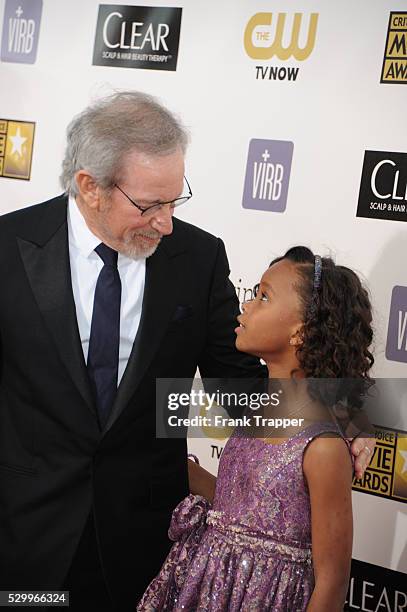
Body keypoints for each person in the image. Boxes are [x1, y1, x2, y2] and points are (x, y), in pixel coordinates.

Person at [0, 91, 374, 611]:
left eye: (176, 200)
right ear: (90, 188)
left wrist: (338, 414)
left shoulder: (197, 257)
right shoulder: (7, 248)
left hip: (147, 551)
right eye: (151, 204)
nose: (167, 223)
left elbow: (240, 384)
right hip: (28, 544)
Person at [137, 246, 375, 611]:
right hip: (208, 590)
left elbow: (332, 581)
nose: (246, 306)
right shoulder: (257, 412)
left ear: (301, 331)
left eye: (263, 297)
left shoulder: (322, 446)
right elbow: (244, 505)